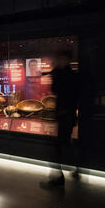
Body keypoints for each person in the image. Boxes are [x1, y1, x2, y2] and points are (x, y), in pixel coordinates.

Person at [42, 50, 79, 187]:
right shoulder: (64, 74)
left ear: (67, 60)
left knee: (58, 146)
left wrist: (55, 75)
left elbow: (59, 91)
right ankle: (74, 169)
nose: (59, 62)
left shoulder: (69, 75)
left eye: (61, 59)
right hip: (65, 113)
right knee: (63, 144)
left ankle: (58, 178)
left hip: (66, 113)